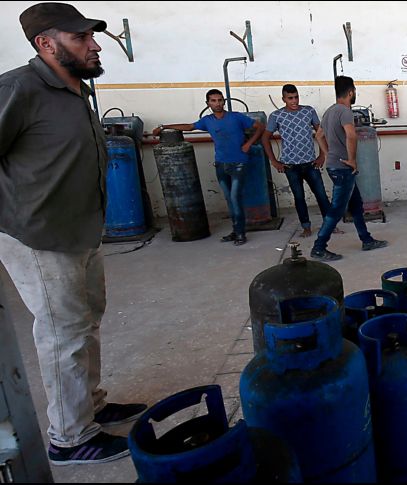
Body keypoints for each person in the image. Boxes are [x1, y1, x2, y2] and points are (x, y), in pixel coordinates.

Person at [0, 2, 148, 465]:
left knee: (85, 322)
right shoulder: (18, 89)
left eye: (91, 37)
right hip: (39, 235)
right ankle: (69, 437)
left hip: (81, 230)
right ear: (46, 44)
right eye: (81, 38)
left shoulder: (74, 90)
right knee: (64, 333)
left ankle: (90, 406)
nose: (94, 45)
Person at [152, 89, 264, 246]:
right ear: (208, 103)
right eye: (213, 101)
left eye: (220, 100)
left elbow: (259, 126)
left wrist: (248, 144)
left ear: (224, 101)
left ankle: (240, 233)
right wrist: (163, 126)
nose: (217, 103)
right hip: (221, 164)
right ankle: (235, 231)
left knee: (235, 198)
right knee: (229, 200)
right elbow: (189, 127)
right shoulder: (207, 120)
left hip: (239, 163)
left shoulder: (236, 117)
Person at [310, 76, 387, 261]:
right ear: (351, 92)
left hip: (336, 165)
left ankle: (366, 239)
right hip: (344, 167)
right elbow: (351, 136)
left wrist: (328, 154)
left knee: (356, 205)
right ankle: (319, 247)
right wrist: (352, 159)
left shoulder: (329, 112)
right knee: (337, 209)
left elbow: (319, 135)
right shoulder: (345, 111)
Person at [263, 84, 338, 238]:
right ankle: (306, 227)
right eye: (290, 98)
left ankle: (331, 225)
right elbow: (265, 138)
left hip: (311, 163)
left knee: (321, 195)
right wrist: (274, 161)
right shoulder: (276, 116)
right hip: (290, 166)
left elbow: (321, 133)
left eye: (296, 97)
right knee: (299, 198)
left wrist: (322, 156)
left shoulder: (308, 111)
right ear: (283, 99)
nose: (294, 100)